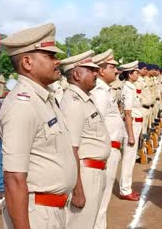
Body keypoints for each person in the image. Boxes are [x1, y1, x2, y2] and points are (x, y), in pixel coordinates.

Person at [0, 23, 77, 228]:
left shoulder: (43, 99)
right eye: (49, 56)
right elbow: (14, 178)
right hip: (36, 215)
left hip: (52, 211)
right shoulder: (22, 105)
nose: (57, 60)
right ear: (27, 62)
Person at [60, 50, 111, 229]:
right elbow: (71, 149)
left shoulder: (84, 99)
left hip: (94, 172)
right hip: (85, 175)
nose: (96, 73)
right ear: (76, 74)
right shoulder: (73, 103)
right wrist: (78, 189)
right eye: (90, 69)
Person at [91, 49, 125, 229]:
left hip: (111, 149)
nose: (116, 71)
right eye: (112, 67)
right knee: (100, 201)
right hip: (106, 150)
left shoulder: (105, 90)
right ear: (102, 70)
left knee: (102, 200)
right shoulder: (99, 92)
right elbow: (98, 126)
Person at [118, 61, 143, 201]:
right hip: (131, 125)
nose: (138, 74)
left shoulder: (131, 87)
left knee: (131, 158)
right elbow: (127, 113)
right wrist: (131, 135)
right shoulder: (128, 89)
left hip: (134, 124)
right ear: (129, 74)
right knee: (128, 159)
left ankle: (127, 187)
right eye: (136, 72)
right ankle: (125, 190)